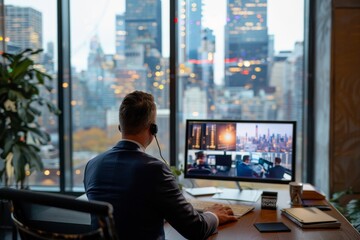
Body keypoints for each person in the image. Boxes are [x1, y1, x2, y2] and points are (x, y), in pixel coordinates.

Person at [84, 91, 237, 240]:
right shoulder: (154, 169)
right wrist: (213, 215)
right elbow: (196, 230)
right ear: (153, 129)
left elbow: (123, 210)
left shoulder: (92, 165)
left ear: (120, 127)